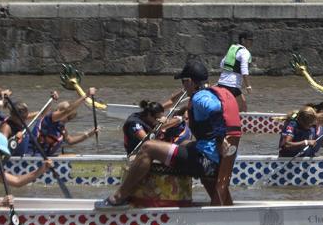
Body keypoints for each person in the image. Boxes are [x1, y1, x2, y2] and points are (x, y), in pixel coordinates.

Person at [96, 60, 226, 208]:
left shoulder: (199, 97)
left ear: (189, 81)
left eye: (183, 82)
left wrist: (221, 140)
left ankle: (118, 198)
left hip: (205, 161)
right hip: (210, 158)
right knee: (179, 144)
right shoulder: (210, 93)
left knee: (148, 147)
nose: (183, 87)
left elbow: (215, 109)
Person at [30, 89, 99, 156]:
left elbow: (70, 141)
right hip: (32, 156)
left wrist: (89, 134)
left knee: (72, 156)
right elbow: (68, 110)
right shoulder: (49, 118)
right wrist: (86, 95)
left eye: (59, 110)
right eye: (57, 110)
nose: (55, 112)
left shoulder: (61, 128)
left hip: (45, 157)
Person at [216, 31, 253, 110]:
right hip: (232, 85)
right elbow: (244, 70)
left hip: (221, 83)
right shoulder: (245, 52)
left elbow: (222, 64)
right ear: (243, 40)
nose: (251, 42)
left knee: (226, 108)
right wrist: (248, 86)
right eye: (250, 40)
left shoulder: (232, 49)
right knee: (243, 108)